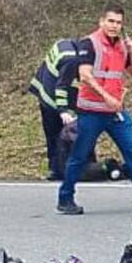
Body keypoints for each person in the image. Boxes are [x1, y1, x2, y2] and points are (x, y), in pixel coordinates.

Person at [57, 4, 132, 216]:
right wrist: (107, 97)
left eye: (118, 22)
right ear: (101, 21)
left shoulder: (122, 47)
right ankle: (65, 198)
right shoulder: (88, 43)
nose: (114, 26)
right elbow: (85, 76)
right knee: (79, 155)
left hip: (114, 112)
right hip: (91, 110)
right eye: (111, 21)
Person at [28, 38, 94, 180]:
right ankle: (56, 169)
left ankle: (75, 165)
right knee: (55, 131)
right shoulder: (71, 61)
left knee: (70, 130)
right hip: (49, 94)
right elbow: (62, 87)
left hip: (50, 82)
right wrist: (64, 111)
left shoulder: (74, 48)